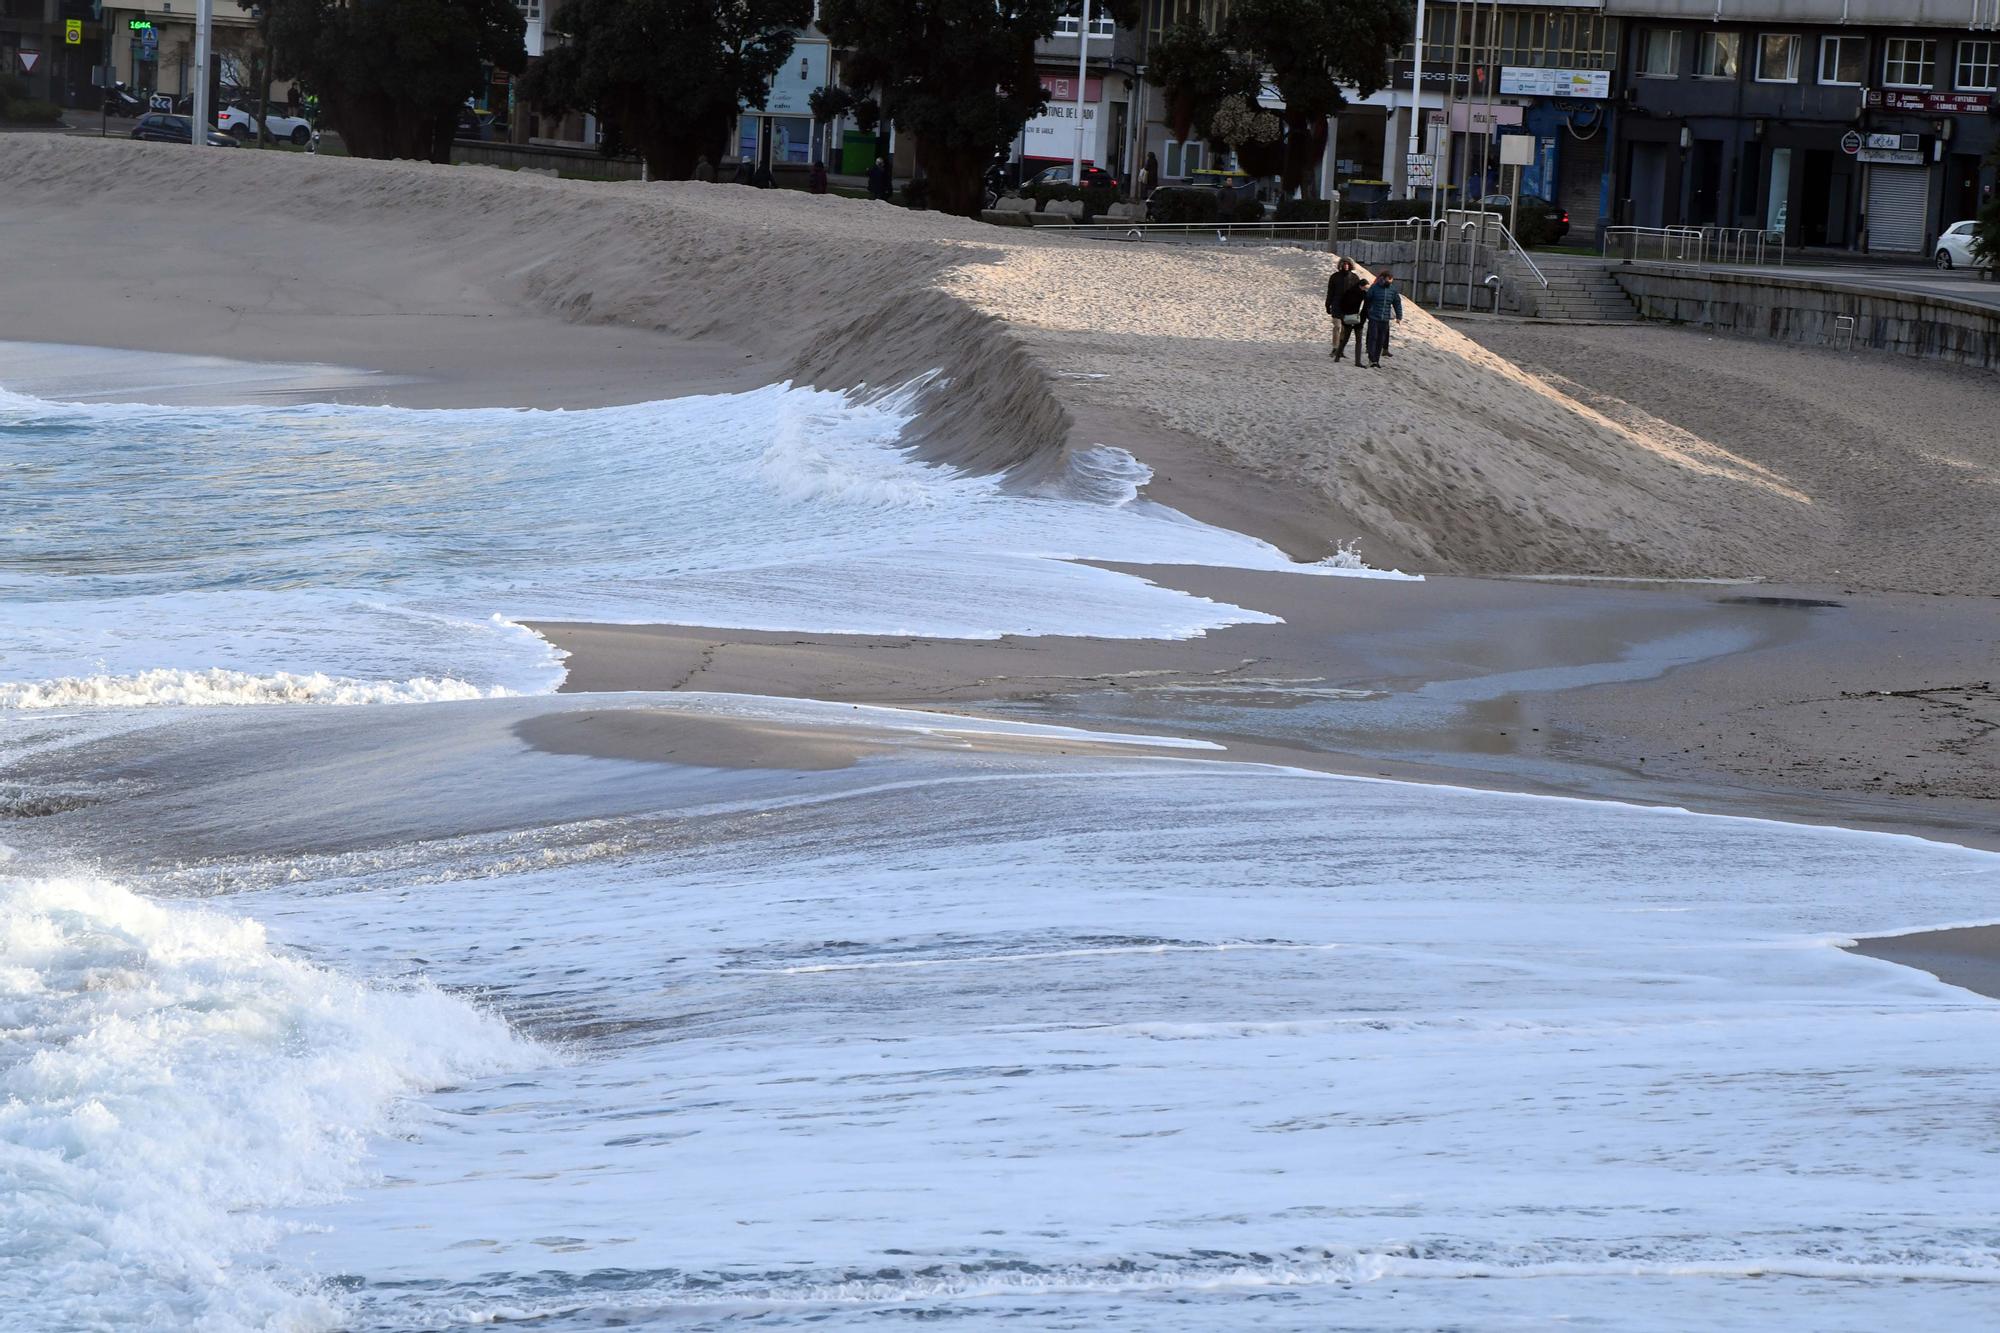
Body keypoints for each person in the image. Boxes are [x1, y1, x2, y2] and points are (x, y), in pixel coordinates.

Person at [1324, 258, 1366, 366]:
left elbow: (1358, 292)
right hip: (1336, 304)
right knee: (1336, 326)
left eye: (1348, 264)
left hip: (1348, 307)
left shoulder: (1355, 278)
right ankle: (1335, 347)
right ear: (1341, 265)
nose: (1346, 266)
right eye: (1344, 264)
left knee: (1344, 329)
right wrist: (1328, 304)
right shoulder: (1334, 277)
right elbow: (1330, 292)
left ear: (1351, 265)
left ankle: (1340, 350)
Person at [1362, 271, 1403, 369]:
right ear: (1384, 278)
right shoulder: (1374, 288)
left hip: (1385, 319)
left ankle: (1376, 360)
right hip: (1374, 317)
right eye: (1389, 279)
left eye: (1391, 279)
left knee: (1381, 340)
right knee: (1373, 338)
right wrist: (1369, 311)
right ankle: (1371, 359)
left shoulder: (1392, 290)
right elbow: (1367, 300)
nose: (1391, 281)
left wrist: (1399, 316)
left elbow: (1397, 303)